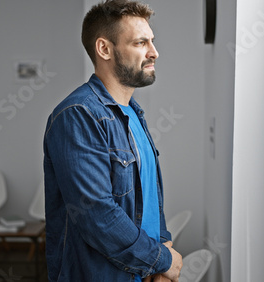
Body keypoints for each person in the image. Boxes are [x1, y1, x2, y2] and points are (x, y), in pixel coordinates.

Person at [43, 0, 182, 281]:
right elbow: (97, 215)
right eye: (141, 43)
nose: (154, 52)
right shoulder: (78, 115)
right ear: (104, 48)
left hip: (143, 272)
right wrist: (163, 260)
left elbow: (151, 200)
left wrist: (160, 262)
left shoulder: (134, 114)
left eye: (151, 42)